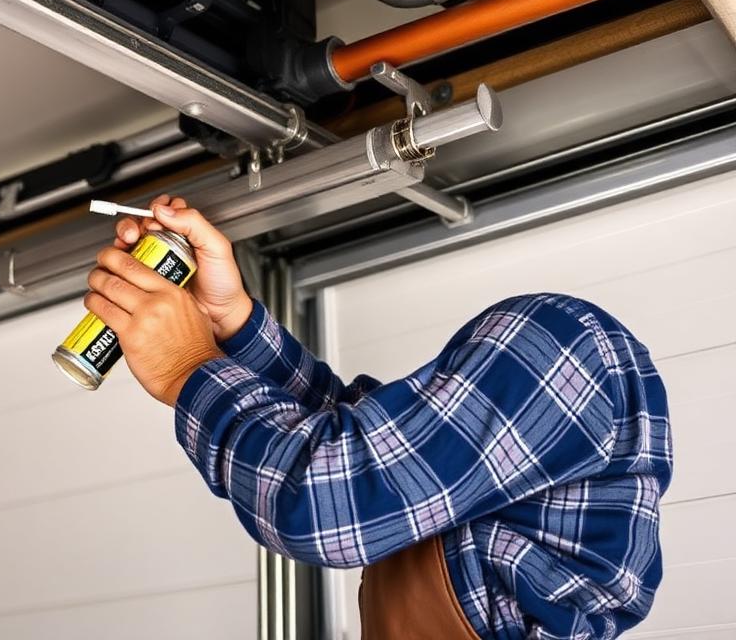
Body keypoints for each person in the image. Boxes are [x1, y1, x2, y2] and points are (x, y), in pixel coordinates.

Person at [83, 194, 673, 640]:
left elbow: (323, 501)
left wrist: (190, 367)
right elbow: (370, 466)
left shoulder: (563, 344)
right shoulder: (556, 353)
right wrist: (228, 326)